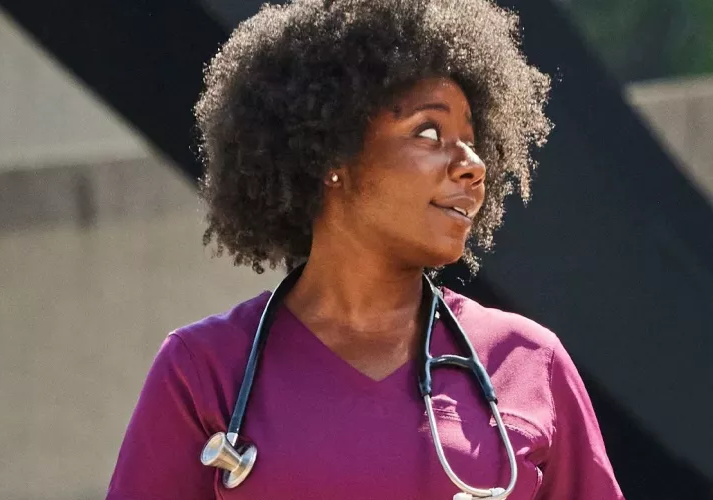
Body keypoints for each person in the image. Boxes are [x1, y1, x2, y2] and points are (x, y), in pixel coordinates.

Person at [106, 0, 624, 498]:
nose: (473, 164)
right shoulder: (203, 369)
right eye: (429, 131)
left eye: (472, 140)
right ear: (333, 155)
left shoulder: (528, 361)